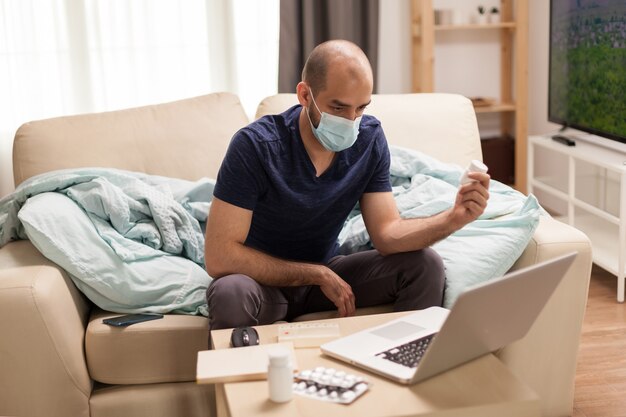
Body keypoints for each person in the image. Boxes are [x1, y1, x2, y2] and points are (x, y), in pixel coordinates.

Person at [204, 40, 489, 330]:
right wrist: (315, 274)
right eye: (338, 108)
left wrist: (453, 219)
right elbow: (220, 256)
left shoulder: (369, 138)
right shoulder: (255, 146)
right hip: (261, 283)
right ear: (305, 95)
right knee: (230, 293)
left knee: (425, 265)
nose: (351, 121)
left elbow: (387, 233)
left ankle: (401, 365)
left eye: (361, 108)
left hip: (329, 275)